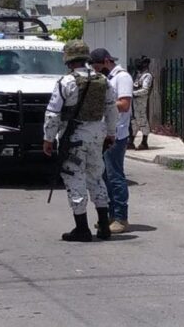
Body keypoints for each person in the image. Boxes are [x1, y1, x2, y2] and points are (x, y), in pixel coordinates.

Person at [43, 40, 118, 242]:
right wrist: (111, 133)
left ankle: (82, 229)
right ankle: (104, 226)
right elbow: (112, 109)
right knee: (97, 178)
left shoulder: (66, 82)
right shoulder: (103, 80)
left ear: (68, 59)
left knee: (74, 178)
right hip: (97, 135)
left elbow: (53, 113)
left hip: (74, 136)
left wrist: (48, 139)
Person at [90, 48, 134, 234]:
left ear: (107, 61)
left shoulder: (122, 77)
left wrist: (100, 104)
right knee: (104, 177)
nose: (97, 71)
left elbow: (124, 105)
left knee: (115, 176)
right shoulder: (107, 78)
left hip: (117, 134)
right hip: (104, 133)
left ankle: (120, 217)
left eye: (98, 67)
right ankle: (109, 215)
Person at [129, 56, 153, 151]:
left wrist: (133, 93)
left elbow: (145, 90)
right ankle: (131, 142)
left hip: (141, 102)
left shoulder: (147, 76)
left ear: (146, 64)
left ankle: (144, 142)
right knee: (134, 121)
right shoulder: (138, 74)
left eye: (142, 63)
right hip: (134, 102)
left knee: (143, 121)